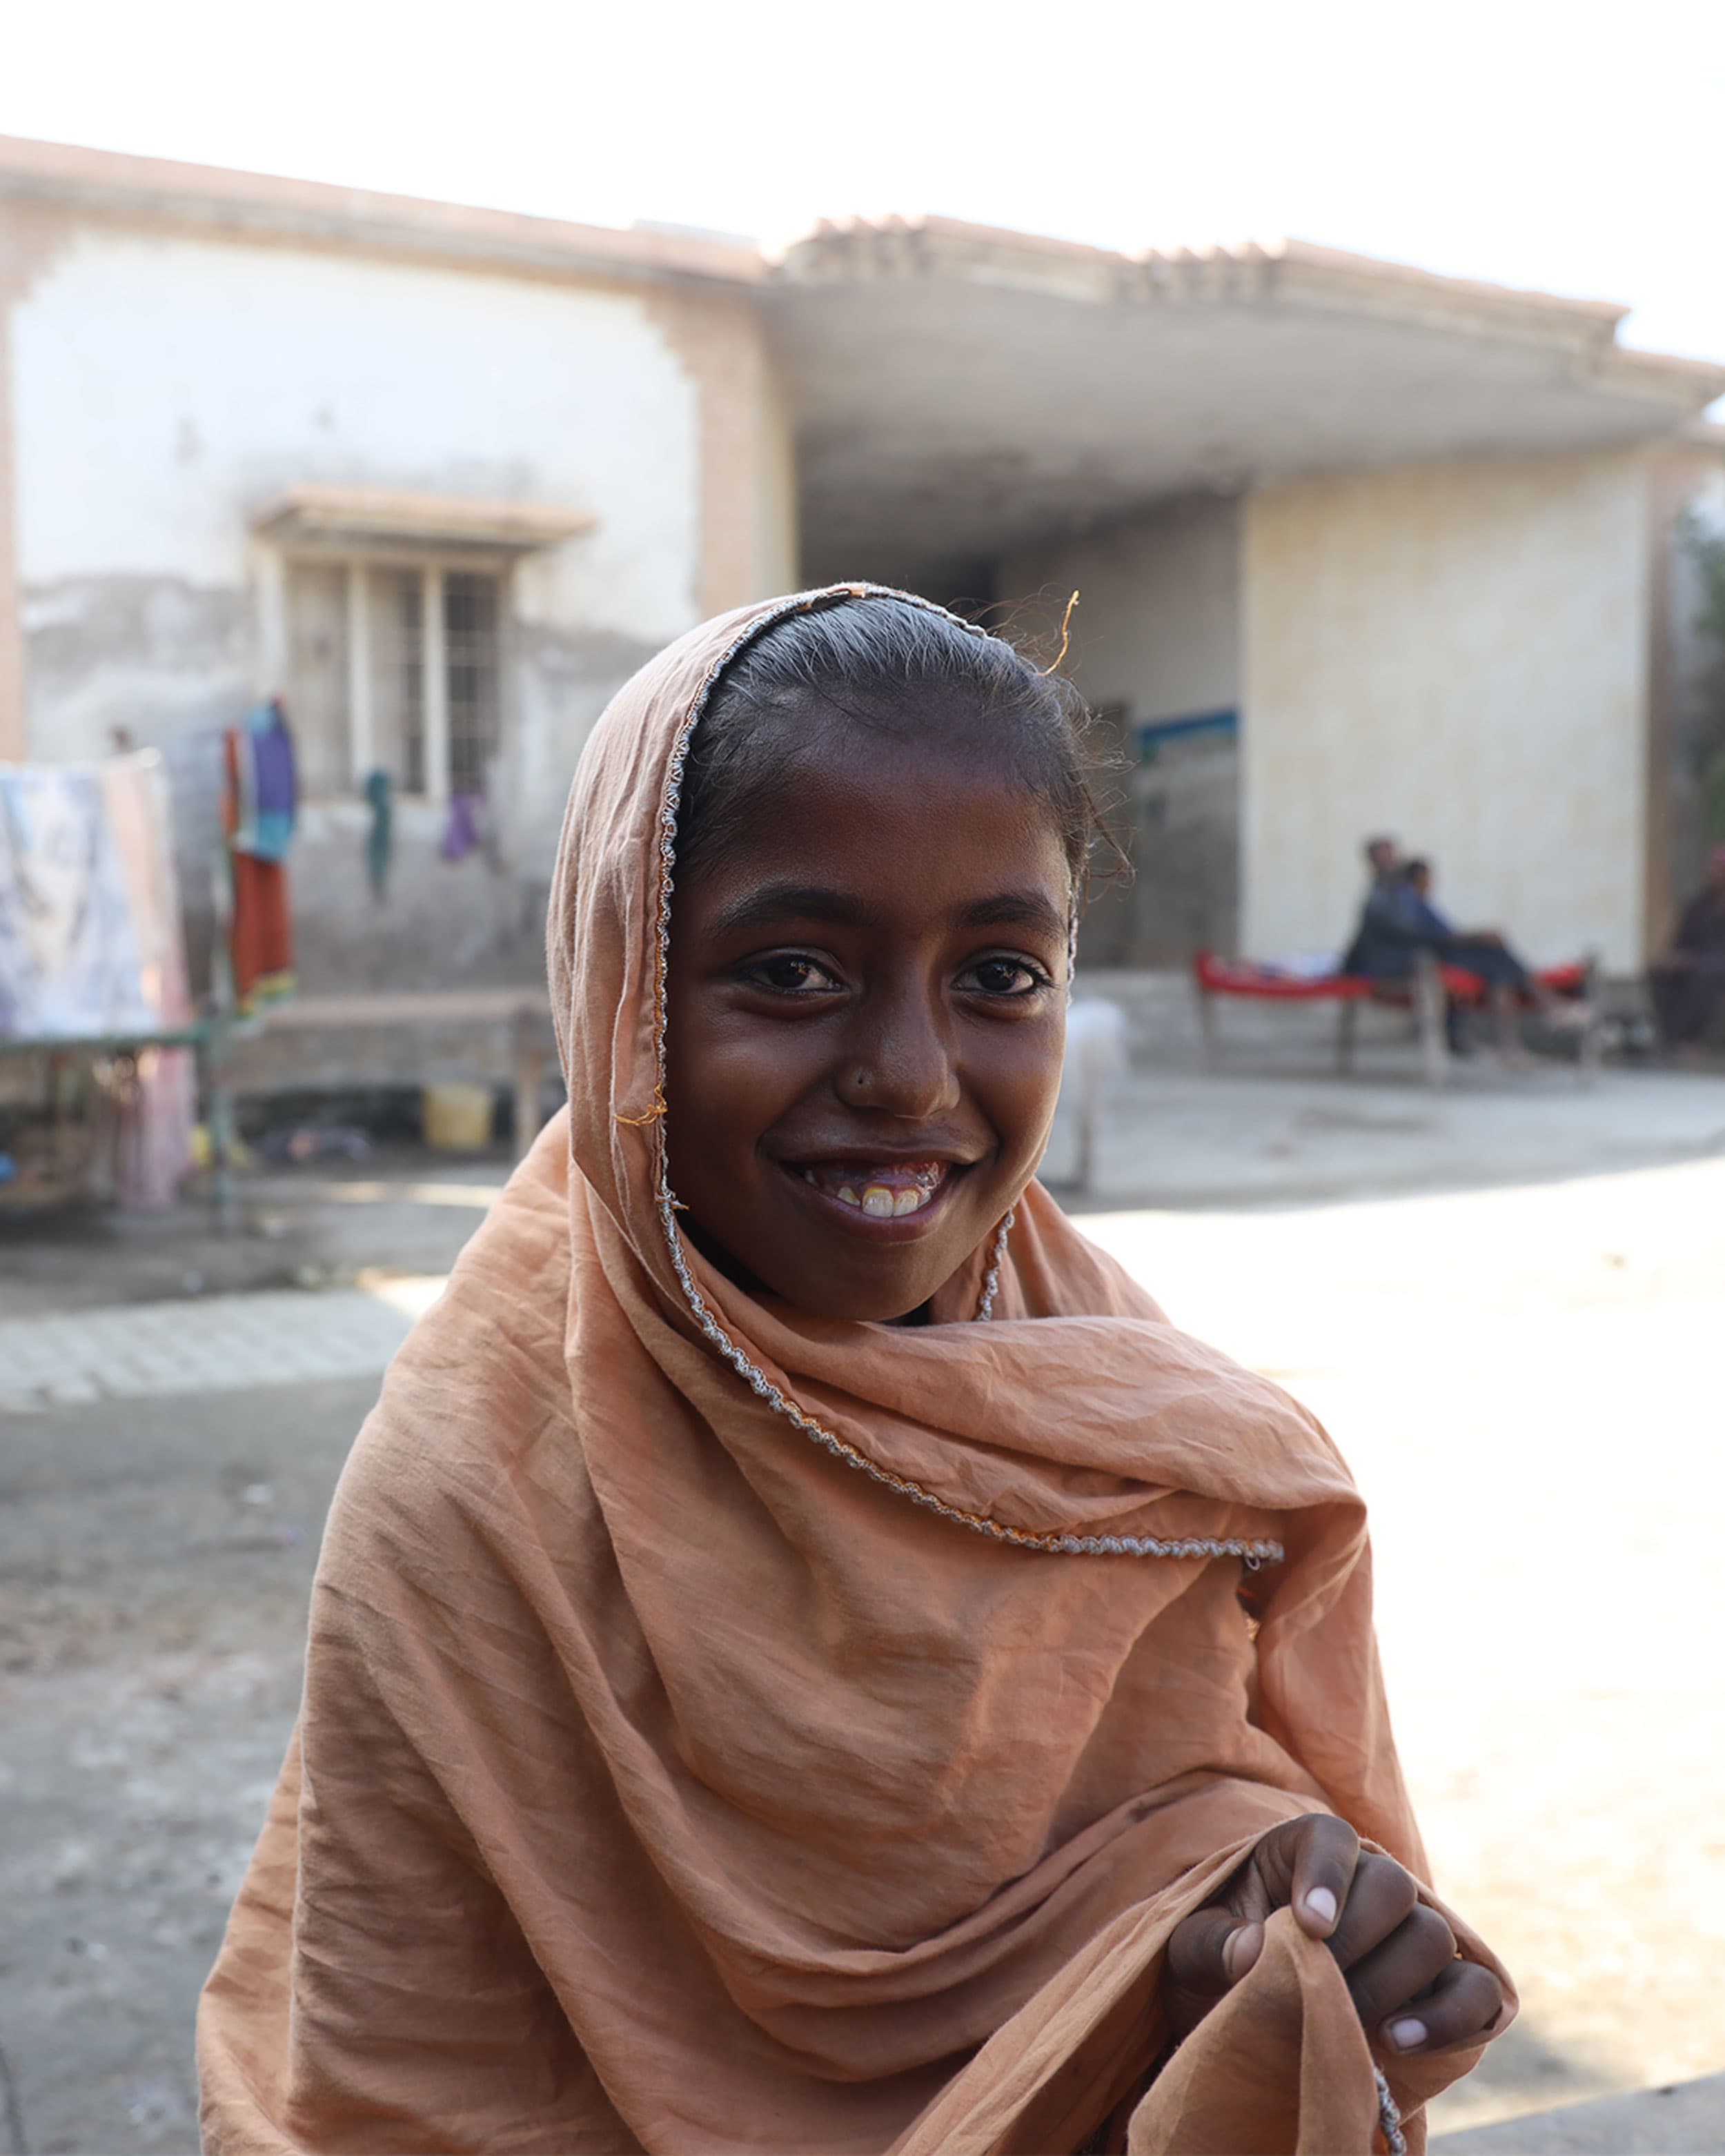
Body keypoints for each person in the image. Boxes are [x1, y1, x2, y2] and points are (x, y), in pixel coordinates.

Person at [198, 589, 1512, 2155]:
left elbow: (1172, 1820)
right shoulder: (472, 1492)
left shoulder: (1125, 1421)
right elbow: (412, 2074)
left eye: (1001, 976)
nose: (910, 1071)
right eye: (796, 971)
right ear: (625, 987)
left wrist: (1251, 1932)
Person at [1650, 844, 1725, 1058]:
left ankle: (1691, 1039)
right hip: (1696, 962)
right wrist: (1672, 957)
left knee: (1705, 974)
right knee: (1659, 971)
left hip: (1714, 966)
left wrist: (1693, 959)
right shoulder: (1698, 905)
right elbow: (1680, 941)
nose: (1715, 874)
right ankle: (1670, 1038)